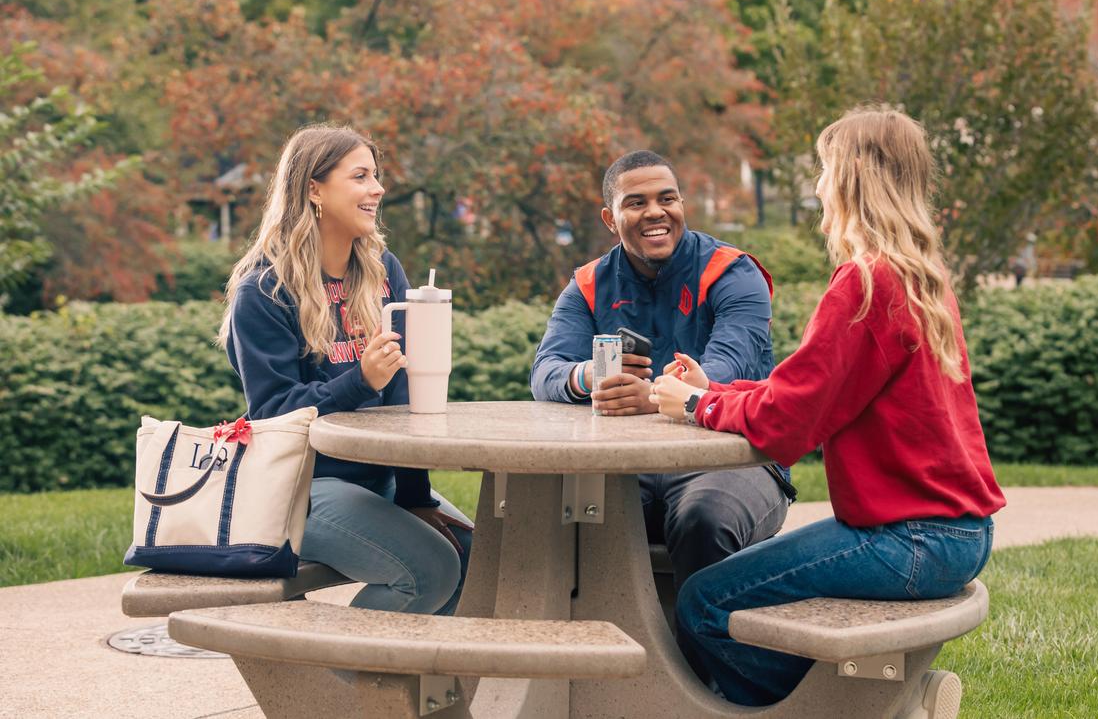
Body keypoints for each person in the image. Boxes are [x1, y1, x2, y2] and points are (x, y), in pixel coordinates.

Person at [650, 107, 1007, 706]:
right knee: (720, 596)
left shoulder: (866, 285)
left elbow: (785, 428)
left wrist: (693, 408)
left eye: (823, 170)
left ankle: (846, 708)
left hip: (908, 539)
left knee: (703, 603)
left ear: (851, 179)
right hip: (956, 533)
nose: (818, 185)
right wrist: (713, 392)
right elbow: (807, 392)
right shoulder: (920, 276)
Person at [218, 124, 473, 615]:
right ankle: (339, 685)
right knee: (431, 570)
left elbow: (400, 392)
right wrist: (359, 379)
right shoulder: (265, 292)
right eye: (360, 176)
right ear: (314, 188)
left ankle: (408, 685)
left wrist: (416, 494)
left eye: (375, 176)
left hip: (378, 478)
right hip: (304, 488)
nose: (377, 188)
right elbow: (272, 412)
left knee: (477, 555)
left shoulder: (381, 271)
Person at [529, 150, 790, 596]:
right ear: (610, 219)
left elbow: (730, 368)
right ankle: (586, 659)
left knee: (704, 519)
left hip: (731, 460)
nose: (655, 212)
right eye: (636, 202)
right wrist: (591, 378)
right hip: (629, 465)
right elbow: (546, 372)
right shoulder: (588, 284)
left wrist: (651, 396)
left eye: (667, 198)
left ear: (682, 204)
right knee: (549, 515)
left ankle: (706, 663)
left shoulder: (732, 272)